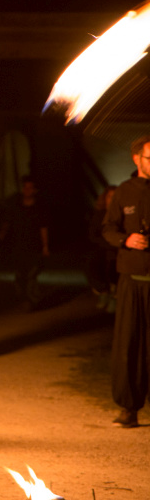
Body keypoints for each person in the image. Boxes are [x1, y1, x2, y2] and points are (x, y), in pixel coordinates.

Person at [102, 135, 150, 428]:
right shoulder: (124, 191)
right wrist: (126, 240)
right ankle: (129, 407)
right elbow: (108, 228)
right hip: (132, 279)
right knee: (129, 343)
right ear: (137, 159)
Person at [0, 175, 50, 309]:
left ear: (34, 190)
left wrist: (45, 246)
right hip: (18, 246)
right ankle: (22, 299)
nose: (27, 190)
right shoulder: (16, 206)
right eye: (25, 187)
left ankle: (33, 300)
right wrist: (2, 235)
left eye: (30, 188)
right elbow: (7, 222)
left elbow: (43, 227)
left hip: (33, 246)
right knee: (20, 274)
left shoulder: (38, 208)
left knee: (31, 275)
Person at [87, 185, 118, 313]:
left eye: (115, 196)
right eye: (109, 196)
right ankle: (103, 291)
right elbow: (93, 235)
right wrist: (105, 243)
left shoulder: (121, 215)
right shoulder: (99, 215)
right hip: (102, 247)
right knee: (93, 265)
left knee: (114, 266)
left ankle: (115, 295)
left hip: (117, 248)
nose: (112, 199)